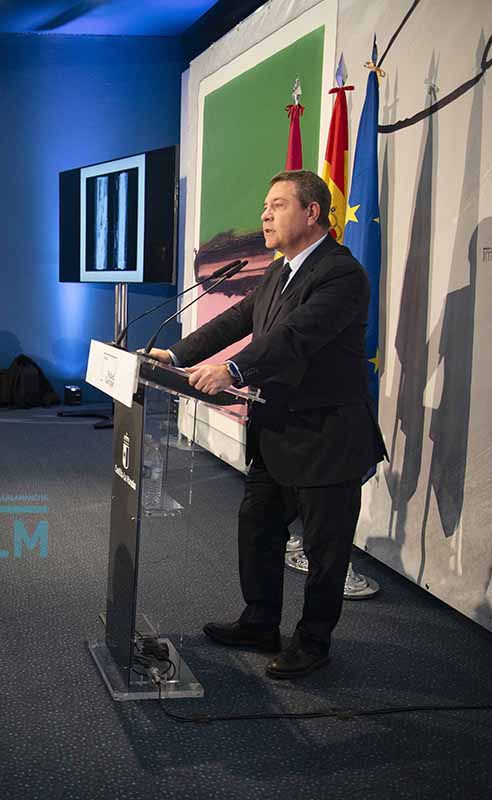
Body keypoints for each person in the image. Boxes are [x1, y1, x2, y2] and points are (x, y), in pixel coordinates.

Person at [145, 170, 388, 679]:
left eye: (277, 205)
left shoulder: (342, 274)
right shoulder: (279, 272)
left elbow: (295, 336)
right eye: (264, 206)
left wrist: (234, 370)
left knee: (324, 552)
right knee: (257, 530)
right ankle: (260, 623)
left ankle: (313, 642)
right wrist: (176, 353)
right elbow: (235, 320)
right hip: (276, 431)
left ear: (312, 212)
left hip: (326, 438)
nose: (265, 215)